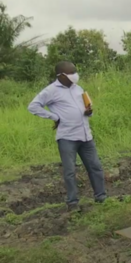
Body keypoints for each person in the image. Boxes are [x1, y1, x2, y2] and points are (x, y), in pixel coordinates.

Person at [28, 61, 107, 212]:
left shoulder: (78, 89)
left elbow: (86, 108)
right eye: (71, 73)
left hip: (85, 135)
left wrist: (89, 112)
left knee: (95, 167)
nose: (75, 75)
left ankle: (101, 198)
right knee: (70, 171)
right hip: (67, 137)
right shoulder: (51, 91)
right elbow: (33, 106)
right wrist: (54, 117)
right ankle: (72, 203)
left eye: (75, 72)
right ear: (61, 76)